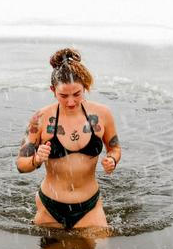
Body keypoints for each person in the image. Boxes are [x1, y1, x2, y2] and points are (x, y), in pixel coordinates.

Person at [16, 48, 121, 230]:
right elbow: (20, 164)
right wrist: (36, 159)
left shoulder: (103, 114)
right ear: (53, 90)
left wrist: (112, 159)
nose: (71, 102)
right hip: (50, 206)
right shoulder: (39, 119)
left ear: (85, 88)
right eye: (63, 96)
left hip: (89, 206)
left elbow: (115, 148)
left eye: (77, 94)